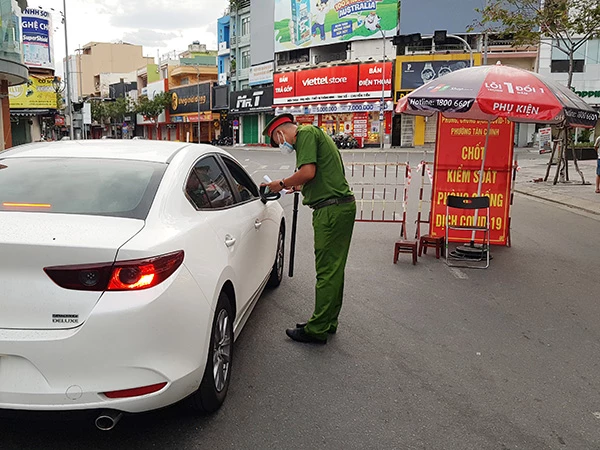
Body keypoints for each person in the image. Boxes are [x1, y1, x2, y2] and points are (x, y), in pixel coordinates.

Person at [262, 114, 355, 345]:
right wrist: (295, 187)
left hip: (331, 211)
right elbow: (317, 175)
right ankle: (327, 321)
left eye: (277, 139)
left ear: (281, 132)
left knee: (326, 271)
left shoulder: (304, 135)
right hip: (339, 207)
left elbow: (308, 171)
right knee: (334, 269)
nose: (281, 144)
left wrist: (281, 183)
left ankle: (317, 329)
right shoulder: (315, 133)